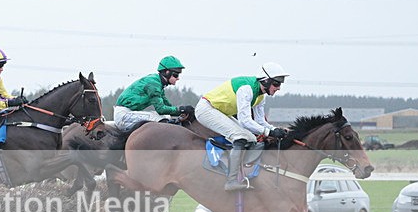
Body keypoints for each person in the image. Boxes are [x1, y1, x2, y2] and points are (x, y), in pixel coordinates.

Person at [195, 62, 290, 191]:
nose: (278, 88)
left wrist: (275, 129)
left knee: (251, 139)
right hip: (206, 109)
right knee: (240, 136)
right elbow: (245, 121)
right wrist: (269, 133)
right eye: (277, 83)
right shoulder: (246, 89)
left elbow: (260, 122)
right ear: (266, 81)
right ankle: (231, 181)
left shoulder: (261, 96)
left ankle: (240, 172)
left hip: (219, 111)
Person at [113, 55, 195, 131]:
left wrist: (182, 112)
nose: (178, 78)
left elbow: (168, 107)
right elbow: (161, 109)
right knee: (159, 118)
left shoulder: (159, 83)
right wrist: (181, 109)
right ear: (167, 72)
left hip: (130, 113)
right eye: (176, 75)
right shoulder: (153, 84)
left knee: (167, 117)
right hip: (123, 116)